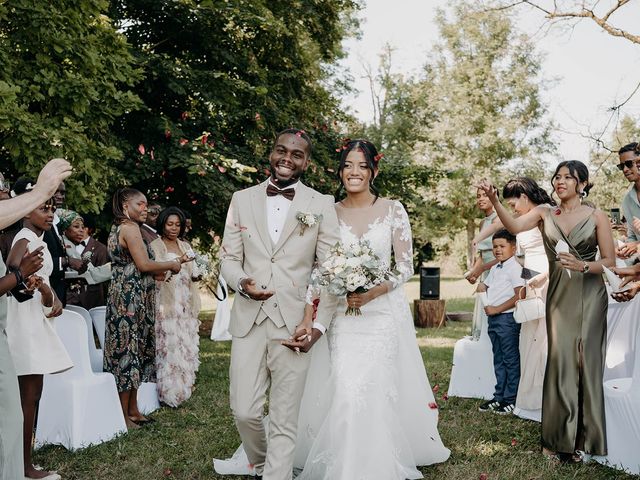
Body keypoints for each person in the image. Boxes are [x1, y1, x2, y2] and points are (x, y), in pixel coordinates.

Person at [287, 139, 450, 478]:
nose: (354, 172)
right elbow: (320, 268)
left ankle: (379, 464)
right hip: (344, 316)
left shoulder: (393, 209)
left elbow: (405, 265)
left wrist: (374, 291)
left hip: (382, 314)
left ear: (373, 170)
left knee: (374, 388)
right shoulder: (329, 211)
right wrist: (308, 313)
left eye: (362, 166)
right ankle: (346, 465)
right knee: (347, 388)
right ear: (340, 170)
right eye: (348, 165)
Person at [218, 128, 340, 479]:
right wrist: (241, 282)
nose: (287, 158)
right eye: (281, 150)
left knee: (285, 416)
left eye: (297, 154)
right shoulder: (242, 199)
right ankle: (261, 462)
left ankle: (277, 474)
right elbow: (227, 258)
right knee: (244, 410)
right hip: (249, 317)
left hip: (293, 324)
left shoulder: (320, 204)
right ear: (271, 153)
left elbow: (329, 272)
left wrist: (316, 325)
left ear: (306, 161)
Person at [478, 160, 615, 461]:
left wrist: (583, 266)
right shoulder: (543, 213)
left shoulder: (597, 216)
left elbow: (610, 262)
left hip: (590, 295)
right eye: (557, 177)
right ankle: (554, 441)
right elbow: (512, 226)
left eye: (568, 177)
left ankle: (583, 441)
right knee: (559, 364)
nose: (560, 181)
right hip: (559, 296)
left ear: (582, 183)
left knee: (585, 364)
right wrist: (495, 202)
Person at [1, 164, 69, 480]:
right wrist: (39, 287)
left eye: (52, 207)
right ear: (26, 212)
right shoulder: (24, 236)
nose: (50, 212)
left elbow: (37, 283)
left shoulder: (37, 236)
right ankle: (24, 467)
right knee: (27, 398)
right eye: (44, 207)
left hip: (35, 322)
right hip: (22, 326)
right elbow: (16, 271)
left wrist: (49, 297)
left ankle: (24, 461)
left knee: (33, 396)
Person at [103, 188, 185, 430]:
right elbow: (143, 263)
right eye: (140, 204)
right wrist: (172, 263)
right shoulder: (129, 228)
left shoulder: (122, 227)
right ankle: (124, 416)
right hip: (129, 300)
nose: (145, 208)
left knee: (136, 351)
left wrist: (158, 273)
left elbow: (137, 267)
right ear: (125, 206)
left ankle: (134, 410)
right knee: (127, 353)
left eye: (146, 204)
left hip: (134, 294)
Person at [475, 178, 553, 421]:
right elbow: (513, 257)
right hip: (528, 280)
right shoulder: (525, 221)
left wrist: (543, 276)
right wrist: (480, 270)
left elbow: (559, 252)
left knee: (544, 341)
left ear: (525, 196)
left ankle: (546, 399)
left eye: (514, 203)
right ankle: (524, 398)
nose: (514, 209)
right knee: (529, 342)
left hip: (545, 280)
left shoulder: (546, 212)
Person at [150, 207, 201, 407]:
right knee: (169, 345)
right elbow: (155, 275)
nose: (174, 228)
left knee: (185, 344)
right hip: (166, 302)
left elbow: (192, 272)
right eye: (170, 224)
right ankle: (168, 392)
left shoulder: (185, 245)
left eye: (178, 224)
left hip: (185, 302)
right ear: (162, 224)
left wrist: (198, 272)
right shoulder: (155, 246)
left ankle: (184, 386)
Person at [476, 229, 524, 415]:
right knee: (498, 358)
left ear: (513, 247)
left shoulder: (515, 268)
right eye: (495, 247)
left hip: (507, 319)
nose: (498, 250)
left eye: (502, 246)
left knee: (510, 359)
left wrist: (496, 309)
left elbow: (520, 294)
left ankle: (511, 398)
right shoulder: (496, 267)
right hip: (494, 320)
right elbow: (486, 284)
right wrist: (482, 285)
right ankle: (499, 396)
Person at [467, 188, 499, 339]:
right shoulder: (482, 223)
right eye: (478, 196)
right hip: (484, 270)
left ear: (494, 196)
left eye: (485, 195)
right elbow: (482, 253)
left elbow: (503, 254)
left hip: (496, 270)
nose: (481, 199)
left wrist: (482, 269)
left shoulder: (498, 219)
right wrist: (474, 271)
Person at [64, 213, 110, 310]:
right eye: (76, 226)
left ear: (89, 229)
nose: (81, 230)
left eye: (83, 227)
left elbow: (104, 283)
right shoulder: (64, 245)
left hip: (91, 300)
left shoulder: (100, 248)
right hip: (68, 299)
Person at [616, 143, 640, 260]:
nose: (625, 170)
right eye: (621, 166)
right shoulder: (627, 201)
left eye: (629, 164)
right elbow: (632, 237)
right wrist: (626, 250)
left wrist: (637, 246)